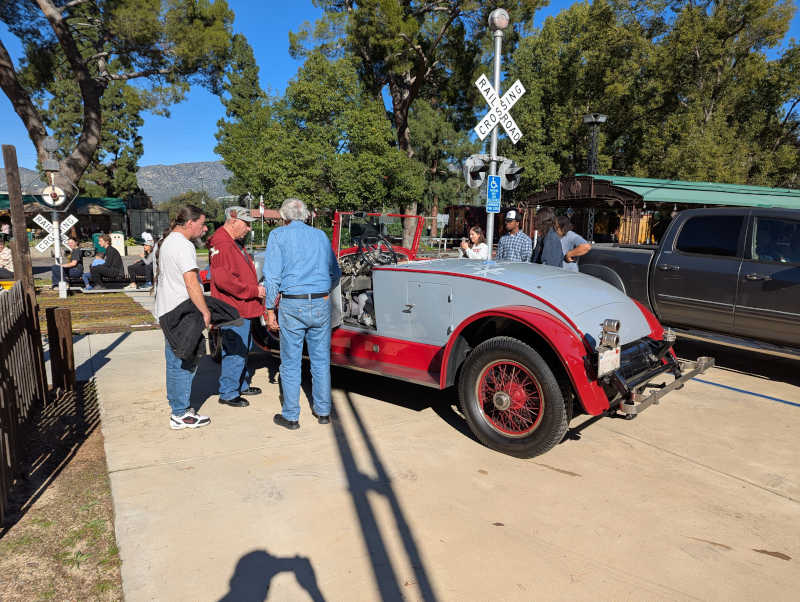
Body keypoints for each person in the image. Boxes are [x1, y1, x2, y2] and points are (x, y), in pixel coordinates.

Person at [263, 198, 341, 430]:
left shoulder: (278, 236)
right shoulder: (320, 236)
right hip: (319, 302)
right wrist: (321, 289)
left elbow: (272, 276)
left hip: (292, 303)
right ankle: (323, 411)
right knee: (320, 360)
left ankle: (291, 415)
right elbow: (335, 272)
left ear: (284, 216)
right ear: (305, 215)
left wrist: (269, 309)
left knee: (290, 362)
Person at [154, 205, 212, 430]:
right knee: (184, 361)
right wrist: (205, 311)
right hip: (181, 312)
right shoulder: (184, 245)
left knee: (175, 360)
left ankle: (178, 407)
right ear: (190, 223)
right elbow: (191, 282)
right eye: (202, 223)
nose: (204, 228)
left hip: (168, 310)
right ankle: (180, 413)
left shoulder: (168, 241)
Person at [208, 206, 266, 408]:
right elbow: (224, 281)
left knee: (243, 348)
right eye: (246, 224)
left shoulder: (232, 242)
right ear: (233, 221)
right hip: (234, 309)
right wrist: (253, 291)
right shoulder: (223, 244)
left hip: (242, 308)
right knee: (234, 349)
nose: (249, 229)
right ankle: (229, 392)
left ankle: (240, 384)